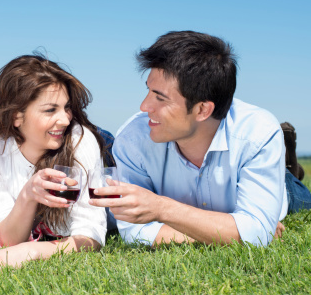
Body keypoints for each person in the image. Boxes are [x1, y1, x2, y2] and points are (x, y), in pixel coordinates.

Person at [89, 30, 310, 246]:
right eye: (148, 91)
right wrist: (236, 233)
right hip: (218, 205)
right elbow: (134, 231)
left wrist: (161, 209)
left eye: (160, 98)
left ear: (203, 110)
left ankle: (287, 166)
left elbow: (257, 232)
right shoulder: (134, 139)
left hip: (277, 185)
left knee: (301, 199)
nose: (144, 106)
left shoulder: (256, 134)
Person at [0, 54, 107, 270]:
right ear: (17, 116)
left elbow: (92, 236)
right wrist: (28, 194)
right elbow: (7, 241)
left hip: (104, 149)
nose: (65, 119)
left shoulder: (80, 141)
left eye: (67, 107)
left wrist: (32, 251)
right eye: (50, 110)